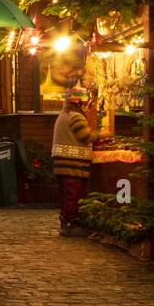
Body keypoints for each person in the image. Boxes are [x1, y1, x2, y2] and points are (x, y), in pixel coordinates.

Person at [52, 86, 95, 235]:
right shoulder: (76, 116)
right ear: (81, 103)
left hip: (62, 164)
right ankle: (71, 224)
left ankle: (66, 221)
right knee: (73, 195)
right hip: (72, 164)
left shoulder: (64, 115)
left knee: (67, 194)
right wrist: (102, 135)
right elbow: (85, 137)